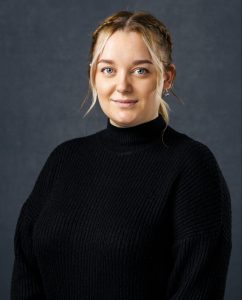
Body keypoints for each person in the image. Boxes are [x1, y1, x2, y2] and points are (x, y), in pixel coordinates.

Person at [11, 10, 232, 300]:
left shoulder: (192, 166)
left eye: (141, 70)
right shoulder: (64, 159)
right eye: (108, 69)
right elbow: (26, 271)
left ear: (167, 78)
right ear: (93, 75)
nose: (122, 86)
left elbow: (198, 290)